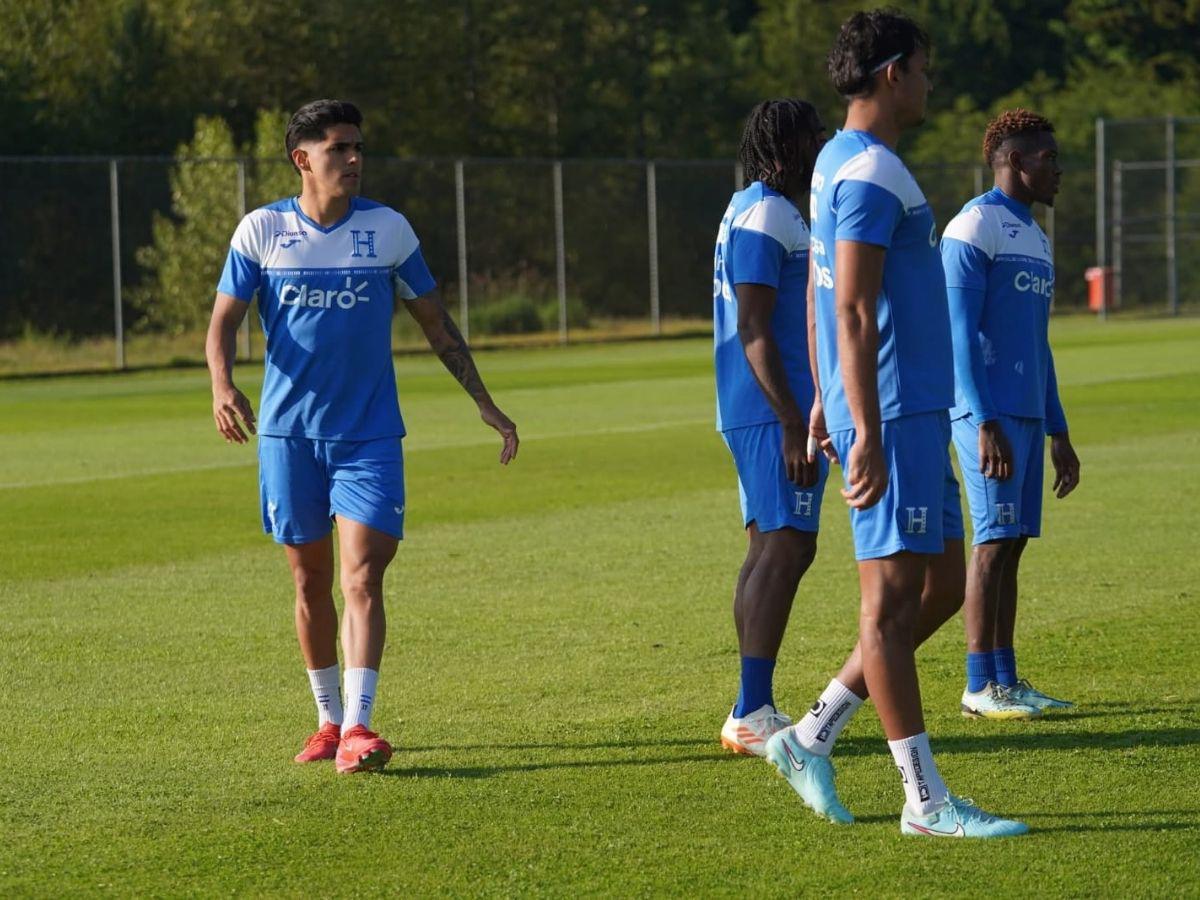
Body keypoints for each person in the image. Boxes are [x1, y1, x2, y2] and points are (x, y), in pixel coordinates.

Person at [763, 9, 1027, 837]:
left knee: (941, 584)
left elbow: (822, 295)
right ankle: (926, 801)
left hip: (901, 406)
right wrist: (863, 424)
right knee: (887, 604)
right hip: (895, 410)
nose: (930, 81)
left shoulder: (843, 161)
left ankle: (810, 736)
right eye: (924, 67)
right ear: (892, 73)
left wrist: (822, 399)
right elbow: (850, 302)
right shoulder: (869, 170)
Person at [204, 99, 518, 774]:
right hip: (288, 437)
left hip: (369, 436)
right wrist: (222, 385)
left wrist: (485, 403)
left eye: (357, 148)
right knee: (308, 579)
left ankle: (359, 726)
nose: (352, 159)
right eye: (339, 148)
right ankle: (326, 720)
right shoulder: (262, 231)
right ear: (302, 158)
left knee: (363, 576)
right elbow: (223, 322)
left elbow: (438, 325)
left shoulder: (389, 230)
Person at [942, 108, 1080, 718]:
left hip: (1025, 414)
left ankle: (1006, 677)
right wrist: (985, 420)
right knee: (992, 543)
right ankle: (978, 686)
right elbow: (959, 335)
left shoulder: (1037, 236)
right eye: (1049, 159)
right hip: (986, 416)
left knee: (1015, 542)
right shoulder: (974, 227)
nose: (1058, 170)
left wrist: (1059, 430)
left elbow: (1037, 343)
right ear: (1015, 162)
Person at [712, 99, 827, 757]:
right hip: (768, 408)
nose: (823, 148)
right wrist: (791, 421)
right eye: (813, 138)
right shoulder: (769, 214)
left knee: (774, 547)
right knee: (784, 547)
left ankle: (752, 704)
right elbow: (754, 326)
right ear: (786, 149)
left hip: (763, 405)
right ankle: (750, 710)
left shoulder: (751, 207)